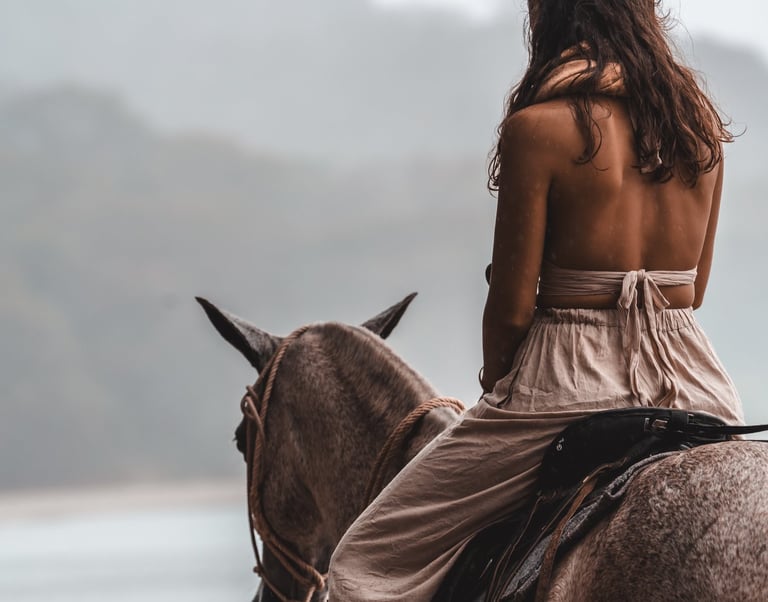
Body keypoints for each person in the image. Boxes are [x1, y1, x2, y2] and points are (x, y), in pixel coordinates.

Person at [328, 1, 744, 599]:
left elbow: (513, 306)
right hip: (693, 379)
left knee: (363, 561)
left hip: (566, 385)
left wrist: (498, 385)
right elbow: (692, 292)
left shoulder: (539, 130)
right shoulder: (698, 128)